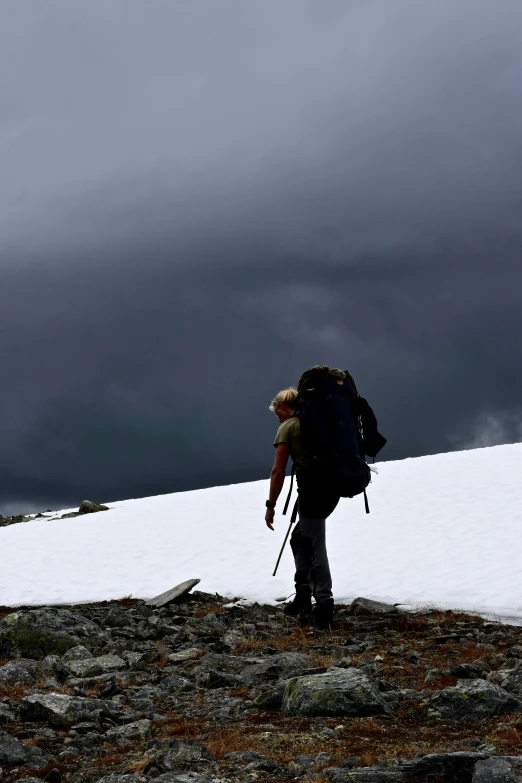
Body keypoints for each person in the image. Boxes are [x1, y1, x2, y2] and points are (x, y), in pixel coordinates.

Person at [265, 387, 340, 628]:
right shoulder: (315, 421)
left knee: (314, 542)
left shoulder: (289, 426)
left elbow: (278, 471)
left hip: (313, 490)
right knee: (300, 538)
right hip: (330, 488)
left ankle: (324, 607)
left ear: (283, 407)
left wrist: (271, 505)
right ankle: (303, 593)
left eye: (277, 412)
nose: (277, 417)